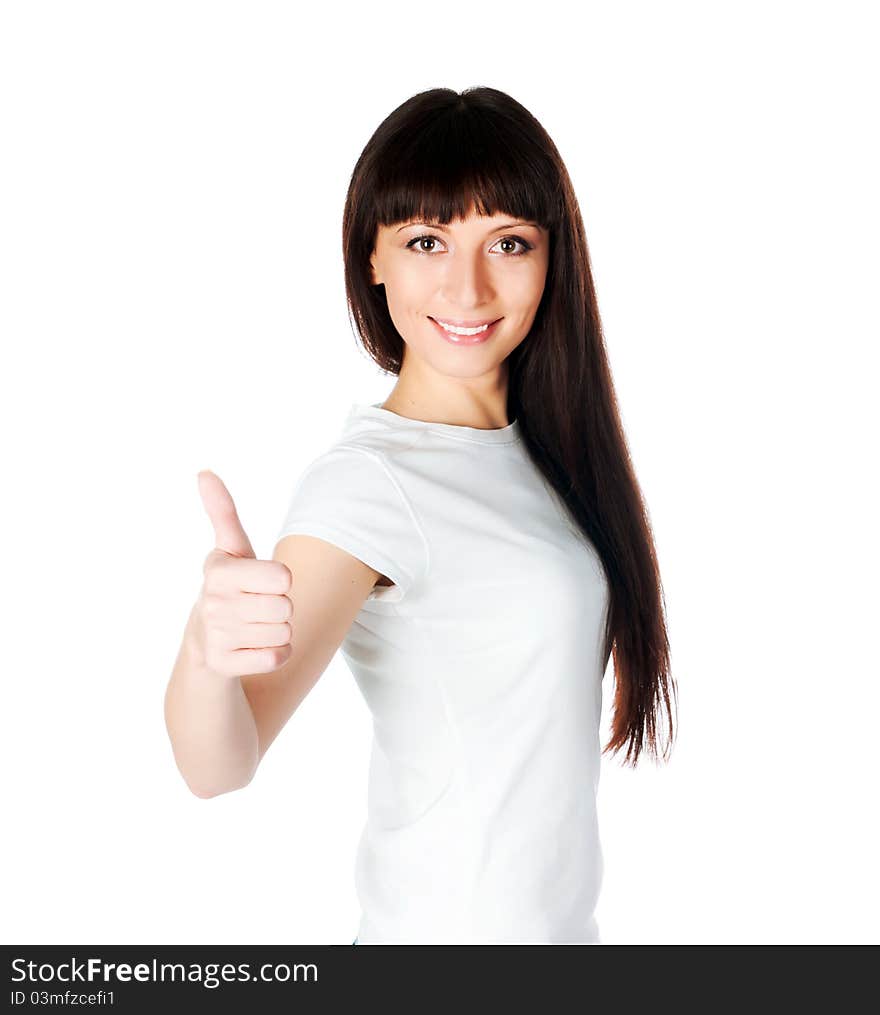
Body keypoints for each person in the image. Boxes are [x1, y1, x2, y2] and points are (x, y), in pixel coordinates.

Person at [164, 86, 677, 945]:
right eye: (426, 241)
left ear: (553, 258)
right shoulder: (368, 485)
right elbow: (220, 764)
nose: (467, 287)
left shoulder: (548, 456)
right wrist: (202, 653)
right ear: (373, 258)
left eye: (507, 242)